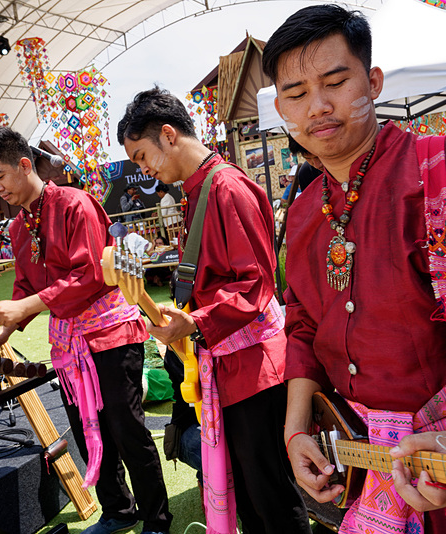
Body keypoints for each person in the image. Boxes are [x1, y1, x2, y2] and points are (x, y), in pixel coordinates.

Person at [263, 5, 446, 534]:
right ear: (281, 109)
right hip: (359, 462)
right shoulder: (301, 211)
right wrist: (297, 431)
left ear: (373, 81)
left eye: (336, 81)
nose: (318, 106)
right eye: (296, 94)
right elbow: (302, 324)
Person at [118, 87, 311, 534]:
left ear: (168, 135)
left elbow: (255, 284)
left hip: (254, 368)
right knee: (247, 491)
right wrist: (188, 317)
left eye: (143, 155)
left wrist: (197, 321)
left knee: (271, 495)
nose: (144, 168)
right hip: (228, 363)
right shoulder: (201, 189)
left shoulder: (226, 187)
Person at [0, 127, 172, 534]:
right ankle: (118, 511)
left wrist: (26, 306)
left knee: (127, 429)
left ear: (24, 165)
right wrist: (4, 333)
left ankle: (157, 518)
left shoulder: (75, 203)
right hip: (69, 342)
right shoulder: (16, 227)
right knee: (86, 428)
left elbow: (91, 274)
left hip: (110, 332)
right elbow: (25, 287)